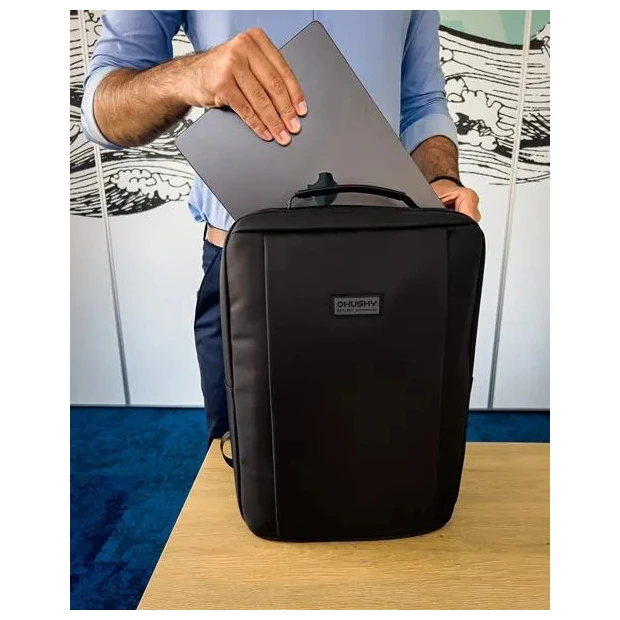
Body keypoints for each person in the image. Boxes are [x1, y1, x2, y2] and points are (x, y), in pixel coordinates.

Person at [81, 10, 481, 444]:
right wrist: (191, 75)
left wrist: (441, 177)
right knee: (251, 468)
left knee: (389, 457)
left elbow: (422, 101)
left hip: (387, 267)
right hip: (250, 272)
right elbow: (101, 109)